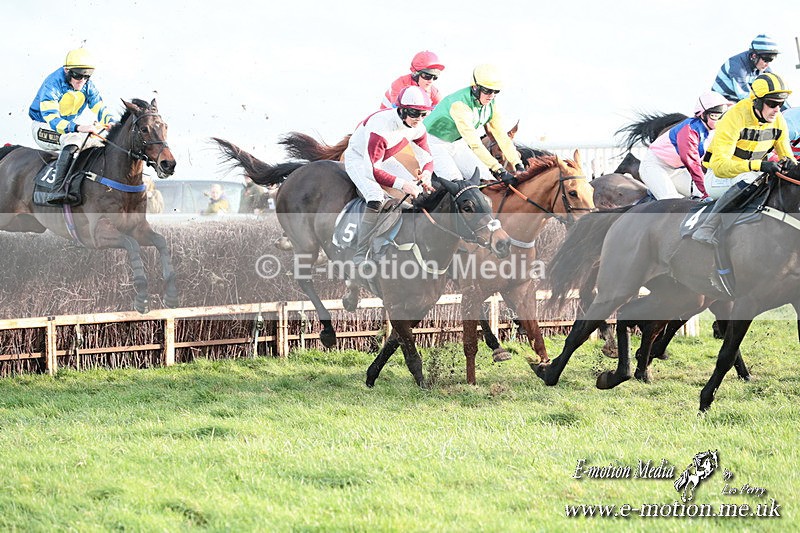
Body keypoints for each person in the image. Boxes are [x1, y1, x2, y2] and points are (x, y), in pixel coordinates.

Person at [693, 73, 795, 245]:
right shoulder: (734, 118)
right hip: (718, 179)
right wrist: (759, 165)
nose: (777, 109)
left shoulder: (779, 121)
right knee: (751, 178)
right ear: (757, 101)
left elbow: (788, 157)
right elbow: (720, 167)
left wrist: (792, 165)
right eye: (772, 103)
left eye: (781, 104)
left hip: (752, 175)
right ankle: (707, 226)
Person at [344, 85, 435, 264]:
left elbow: (427, 157)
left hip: (384, 157)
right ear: (402, 110)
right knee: (376, 197)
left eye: (424, 114)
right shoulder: (381, 128)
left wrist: (426, 174)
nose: (419, 119)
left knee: (417, 191)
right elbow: (371, 170)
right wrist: (403, 185)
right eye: (414, 113)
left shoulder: (418, 127)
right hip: (360, 159)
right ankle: (361, 254)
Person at [29, 47, 116, 205]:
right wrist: (79, 127)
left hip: (67, 128)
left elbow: (100, 109)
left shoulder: (87, 86)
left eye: (87, 76)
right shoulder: (52, 84)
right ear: (67, 70)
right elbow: (53, 120)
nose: (81, 80)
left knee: (100, 140)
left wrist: (112, 123)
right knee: (75, 138)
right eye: (77, 75)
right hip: (43, 127)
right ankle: (57, 190)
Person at [423, 64, 522, 184]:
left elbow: (501, 136)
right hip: (432, 143)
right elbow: (474, 143)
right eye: (487, 91)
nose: (491, 95)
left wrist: (517, 164)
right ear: (475, 87)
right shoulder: (459, 105)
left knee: (488, 181)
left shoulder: (491, 105)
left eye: (496, 91)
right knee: (458, 184)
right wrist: (499, 169)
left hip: (456, 143)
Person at [640, 92, 731, 200]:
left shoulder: (713, 131)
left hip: (678, 171)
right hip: (655, 166)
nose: (719, 121)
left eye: (722, 116)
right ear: (702, 115)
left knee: (708, 194)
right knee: (671, 201)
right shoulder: (689, 131)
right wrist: (705, 193)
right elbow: (693, 165)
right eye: (715, 116)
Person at [712, 34, 779, 104]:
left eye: (771, 59)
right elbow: (744, 95)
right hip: (721, 103)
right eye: (766, 59)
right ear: (754, 56)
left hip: (738, 101)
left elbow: (775, 91)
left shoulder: (762, 66)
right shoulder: (737, 66)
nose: (767, 64)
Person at [380, 50, 445, 110]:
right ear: (415, 74)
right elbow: (399, 112)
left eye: (435, 77)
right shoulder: (399, 84)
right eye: (427, 76)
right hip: (388, 119)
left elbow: (441, 111)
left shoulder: (434, 92)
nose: (431, 81)